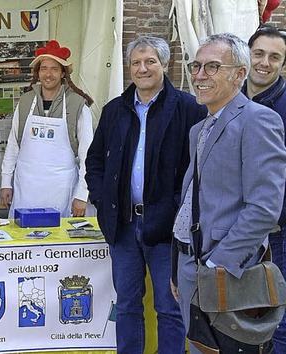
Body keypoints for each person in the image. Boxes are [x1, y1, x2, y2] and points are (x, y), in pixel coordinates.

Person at [85, 36, 206, 353]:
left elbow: (199, 168)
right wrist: (101, 200)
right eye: (136, 63)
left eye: (150, 61)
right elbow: (95, 160)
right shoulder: (114, 111)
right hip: (123, 227)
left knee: (169, 309)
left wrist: (180, 211)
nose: (142, 68)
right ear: (129, 68)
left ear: (165, 65)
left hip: (168, 230)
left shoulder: (189, 109)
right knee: (126, 304)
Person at [172, 33, 286, 351]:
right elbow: (190, 204)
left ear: (239, 74)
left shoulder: (259, 120)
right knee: (199, 348)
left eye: (212, 67)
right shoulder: (199, 128)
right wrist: (177, 264)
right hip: (188, 265)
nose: (198, 75)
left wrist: (217, 266)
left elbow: (264, 207)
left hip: (224, 272)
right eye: (196, 66)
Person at [0, 40, 93, 218]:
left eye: (54, 69)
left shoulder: (77, 105)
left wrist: (82, 194)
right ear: (37, 72)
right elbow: (13, 145)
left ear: (63, 73)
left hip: (62, 191)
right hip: (26, 190)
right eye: (44, 69)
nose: (48, 74)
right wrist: (6, 182)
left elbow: (87, 155)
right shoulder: (26, 102)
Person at [242, 24, 286, 351]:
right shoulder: (226, 100)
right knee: (236, 317)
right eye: (259, 53)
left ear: (283, 65)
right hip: (231, 233)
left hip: (277, 234)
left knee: (278, 320)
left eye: (275, 57)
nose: (264, 62)